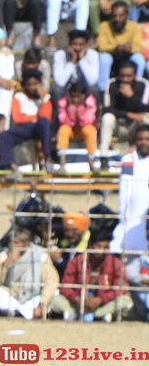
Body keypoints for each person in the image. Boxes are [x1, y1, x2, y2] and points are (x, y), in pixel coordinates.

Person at [49, 226, 131, 321]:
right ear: (90, 246)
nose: (102, 250)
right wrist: (76, 298)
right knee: (54, 300)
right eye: (99, 246)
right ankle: (91, 313)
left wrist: (101, 299)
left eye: (106, 247)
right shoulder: (77, 261)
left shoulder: (116, 263)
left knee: (126, 301)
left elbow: (121, 288)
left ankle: (95, 314)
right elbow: (65, 285)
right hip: (78, 302)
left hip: (103, 303)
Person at [0, 226, 58, 319]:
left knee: (55, 293)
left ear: (26, 245)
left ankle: (13, 312)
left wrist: (42, 302)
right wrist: (5, 265)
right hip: (12, 297)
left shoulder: (40, 256)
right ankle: (21, 312)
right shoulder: (4, 256)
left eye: (16, 243)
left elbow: (51, 281)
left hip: (33, 297)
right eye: (10, 242)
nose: (12, 245)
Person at [0, 69, 54, 172]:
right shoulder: (18, 97)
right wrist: (35, 117)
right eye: (29, 84)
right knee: (3, 136)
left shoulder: (46, 98)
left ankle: (47, 160)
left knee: (44, 122)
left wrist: (41, 98)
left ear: (40, 83)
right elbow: (18, 119)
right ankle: (13, 169)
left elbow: (46, 118)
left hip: (41, 128)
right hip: (25, 128)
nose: (32, 87)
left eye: (35, 84)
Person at [112, 124, 149, 255]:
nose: (143, 142)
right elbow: (124, 188)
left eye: (147, 139)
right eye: (140, 139)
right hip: (131, 212)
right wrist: (123, 213)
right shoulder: (128, 160)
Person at [100, 59, 149, 154]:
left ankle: (144, 153)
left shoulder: (143, 84)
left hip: (134, 127)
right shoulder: (112, 84)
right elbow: (107, 109)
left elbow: (144, 109)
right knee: (107, 118)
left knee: (146, 117)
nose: (125, 79)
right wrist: (128, 114)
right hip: (117, 126)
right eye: (122, 76)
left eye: (129, 76)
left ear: (135, 75)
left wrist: (131, 96)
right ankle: (103, 156)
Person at [97, 1, 144, 86]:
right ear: (111, 16)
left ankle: (137, 86)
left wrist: (128, 48)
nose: (117, 19)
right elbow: (102, 47)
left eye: (121, 15)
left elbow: (138, 48)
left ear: (127, 15)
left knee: (139, 59)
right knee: (104, 58)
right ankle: (103, 88)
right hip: (112, 55)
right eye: (114, 16)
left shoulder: (134, 26)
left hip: (128, 55)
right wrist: (117, 47)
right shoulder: (104, 26)